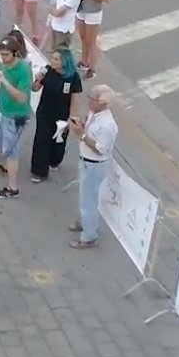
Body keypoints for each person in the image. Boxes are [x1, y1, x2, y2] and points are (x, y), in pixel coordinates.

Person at [68, 84, 118, 249]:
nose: (89, 101)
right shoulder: (94, 113)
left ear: (103, 103)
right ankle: (85, 223)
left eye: (93, 99)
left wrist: (81, 134)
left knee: (89, 200)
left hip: (94, 165)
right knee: (85, 196)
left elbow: (100, 149)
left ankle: (89, 236)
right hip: (86, 161)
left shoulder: (107, 125)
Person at [0, 35, 33, 199]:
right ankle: (7, 167)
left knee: (12, 151)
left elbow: (22, 97)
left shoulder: (23, 70)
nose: (3, 58)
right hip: (4, 112)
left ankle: (12, 188)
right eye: (2, 54)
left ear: (16, 54)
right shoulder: (4, 64)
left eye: (6, 55)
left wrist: (5, 82)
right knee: (2, 143)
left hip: (16, 116)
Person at [29, 48, 82, 182]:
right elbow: (34, 88)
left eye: (56, 59)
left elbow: (75, 99)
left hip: (62, 115)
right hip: (45, 112)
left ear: (65, 62)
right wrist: (37, 79)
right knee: (41, 141)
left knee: (58, 141)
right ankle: (39, 171)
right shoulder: (47, 71)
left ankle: (54, 161)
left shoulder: (73, 77)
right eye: (53, 58)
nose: (53, 61)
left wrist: (73, 117)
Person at [0, 29, 27, 159]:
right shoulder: (1, 56)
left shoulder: (24, 63)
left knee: (9, 126)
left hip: (12, 96)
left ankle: (8, 151)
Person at [76, 0, 110, 80]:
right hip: (82, 9)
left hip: (93, 12)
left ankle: (92, 68)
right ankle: (84, 62)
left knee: (91, 42)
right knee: (83, 38)